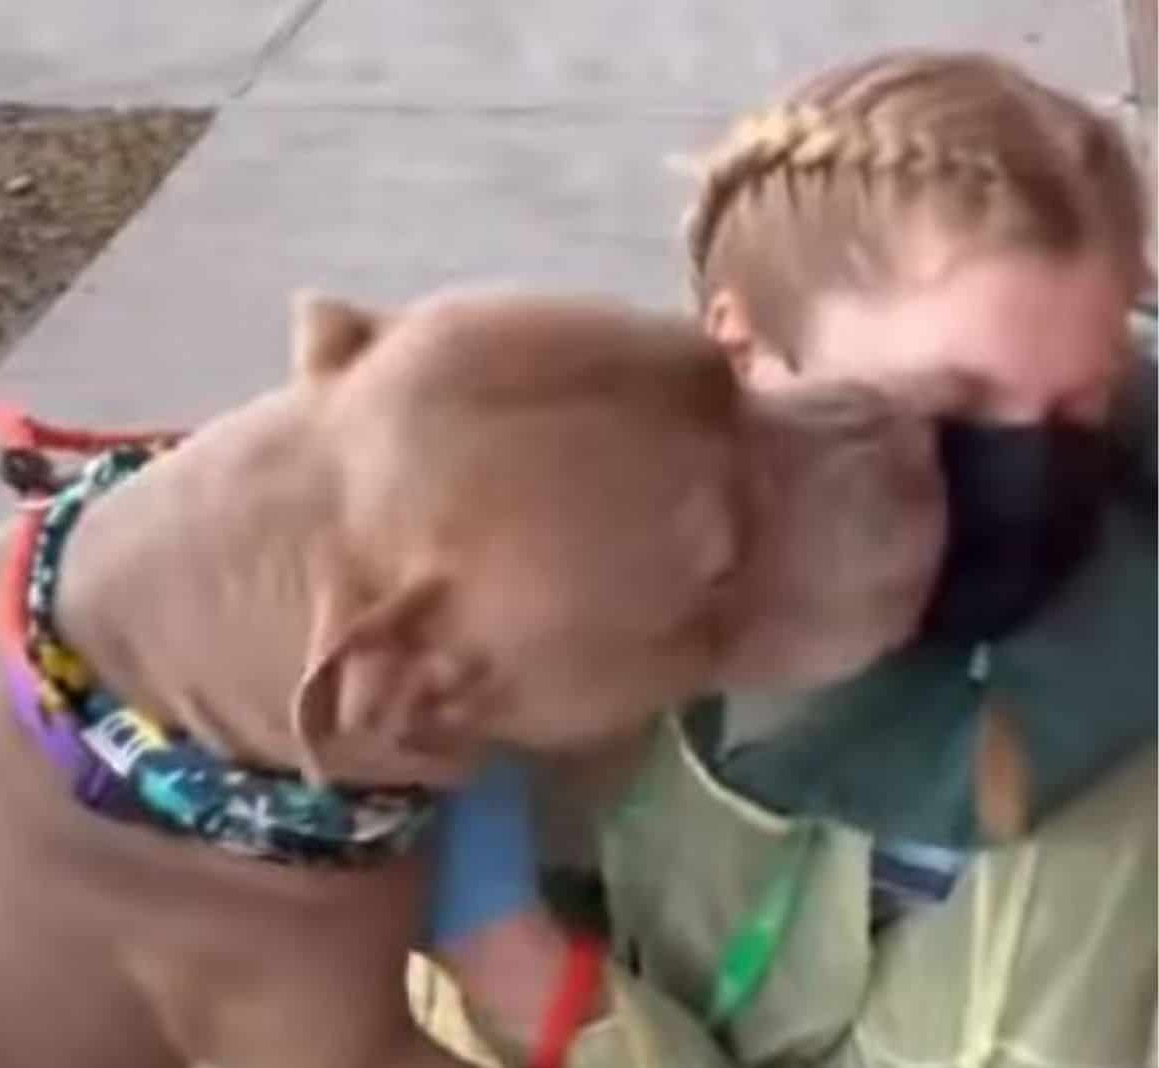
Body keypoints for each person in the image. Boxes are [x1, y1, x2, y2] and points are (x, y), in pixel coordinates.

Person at [412, 50, 1157, 1068]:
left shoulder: (1120, 710)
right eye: (946, 405)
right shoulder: (554, 602)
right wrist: (494, 946)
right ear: (742, 352)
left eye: (1077, 402)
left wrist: (517, 970)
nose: (1022, 467)